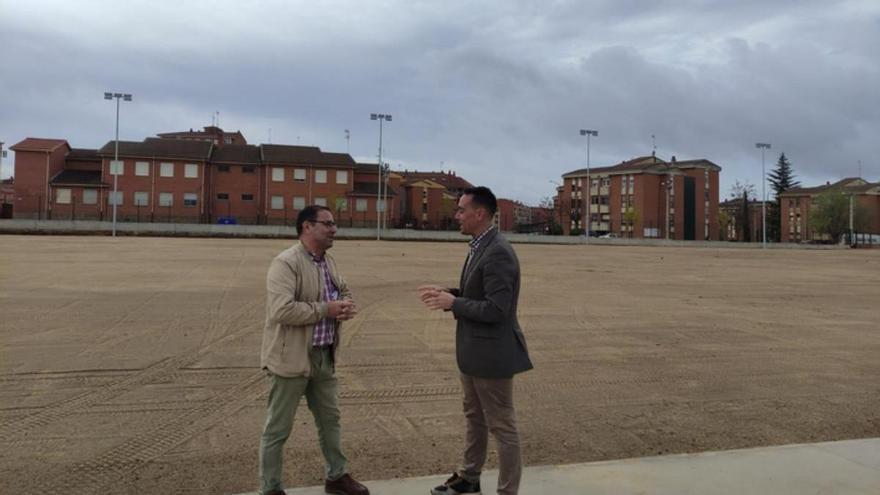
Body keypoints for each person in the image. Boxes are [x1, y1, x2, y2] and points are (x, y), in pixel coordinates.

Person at [419, 186, 533, 495]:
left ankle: (507, 491)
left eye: (461, 210)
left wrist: (453, 303)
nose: (457, 215)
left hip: (492, 356)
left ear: (479, 214)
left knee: (503, 427)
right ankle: (469, 478)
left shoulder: (498, 252)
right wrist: (450, 294)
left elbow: (498, 309)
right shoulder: (479, 246)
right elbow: (478, 295)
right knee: (475, 417)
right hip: (473, 353)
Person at [259, 205, 369, 495]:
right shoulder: (285, 263)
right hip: (290, 359)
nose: (334, 229)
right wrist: (327, 309)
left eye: (334, 224)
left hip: (324, 357)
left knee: (330, 421)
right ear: (307, 227)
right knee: (277, 429)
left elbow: (343, 290)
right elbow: (282, 310)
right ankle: (270, 488)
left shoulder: (328, 261)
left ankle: (337, 477)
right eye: (328, 224)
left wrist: (344, 305)